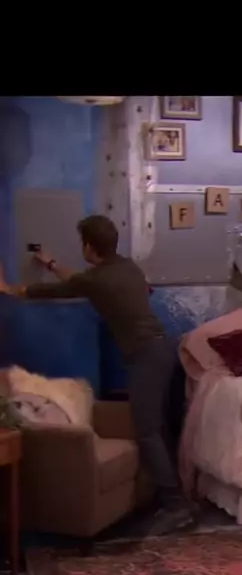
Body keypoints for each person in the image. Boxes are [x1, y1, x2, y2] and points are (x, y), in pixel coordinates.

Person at [0, 215, 196, 535]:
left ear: (89, 247)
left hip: (146, 356)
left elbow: (57, 289)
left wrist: (9, 288)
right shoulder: (127, 267)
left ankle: (175, 506)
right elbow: (81, 281)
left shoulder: (96, 280)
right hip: (161, 349)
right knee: (157, 426)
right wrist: (51, 264)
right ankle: (173, 498)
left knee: (147, 430)